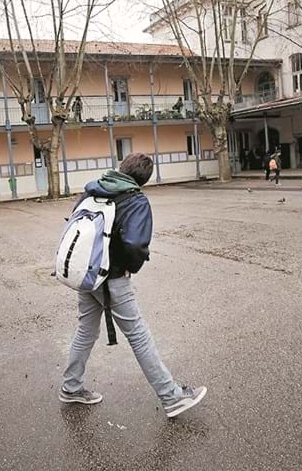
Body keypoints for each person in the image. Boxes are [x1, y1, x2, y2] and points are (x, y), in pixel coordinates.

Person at [59, 152, 207, 418]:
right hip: (113, 278)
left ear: (121, 167)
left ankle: (71, 387)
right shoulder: (135, 200)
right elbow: (136, 244)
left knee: (85, 331)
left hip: (87, 275)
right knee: (138, 336)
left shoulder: (93, 189)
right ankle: (172, 397)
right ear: (143, 180)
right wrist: (130, 267)